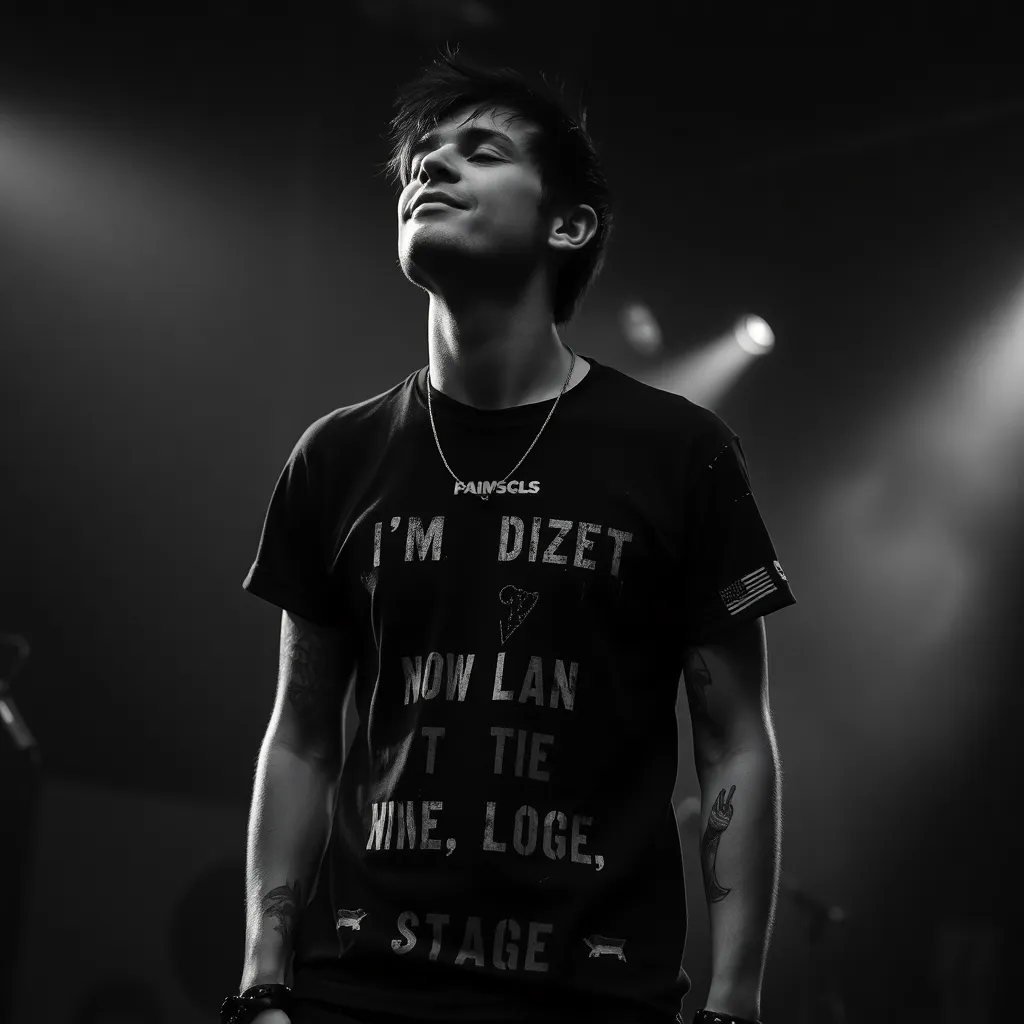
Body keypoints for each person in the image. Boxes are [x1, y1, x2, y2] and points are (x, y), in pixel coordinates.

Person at [230, 44, 794, 1024]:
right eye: (422, 157)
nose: (430, 166)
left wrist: (734, 1002)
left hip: (592, 996)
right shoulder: (335, 455)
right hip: (356, 992)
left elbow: (734, 740)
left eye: (480, 150)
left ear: (567, 223)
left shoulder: (680, 452)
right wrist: (261, 983)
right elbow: (302, 739)